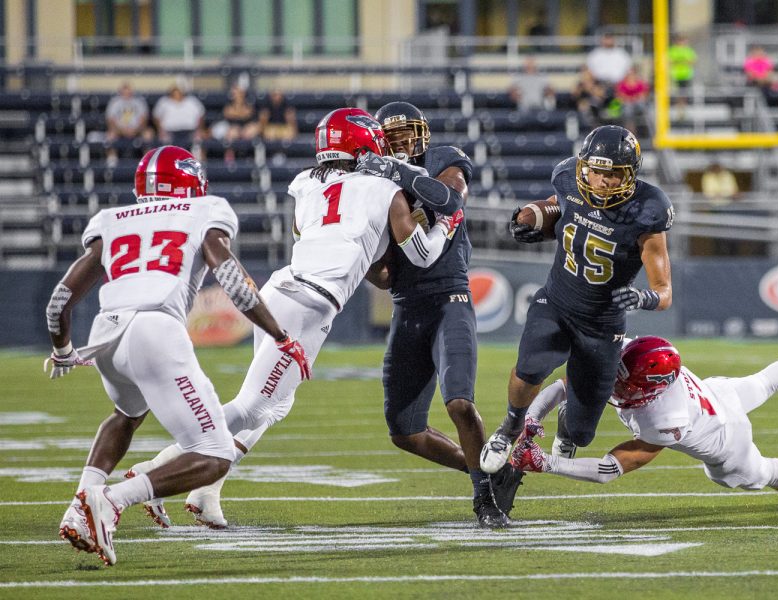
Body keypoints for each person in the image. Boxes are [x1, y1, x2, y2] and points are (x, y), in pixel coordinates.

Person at [128, 108, 464, 529]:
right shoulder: (383, 188)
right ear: (363, 144)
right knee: (252, 406)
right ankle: (150, 473)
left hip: (279, 291)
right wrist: (444, 227)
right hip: (309, 305)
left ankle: (206, 490)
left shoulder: (305, 184)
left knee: (274, 406)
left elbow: (316, 238)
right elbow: (422, 254)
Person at [49, 145, 311, 565]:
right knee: (216, 454)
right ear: (190, 185)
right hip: (154, 330)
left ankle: (77, 507)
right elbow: (234, 281)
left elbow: (59, 301)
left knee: (126, 416)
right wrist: (280, 335)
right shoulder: (205, 211)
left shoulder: (110, 219)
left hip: (105, 334)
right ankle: (111, 501)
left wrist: (63, 349)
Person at [355, 101, 524, 529]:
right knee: (404, 431)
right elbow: (386, 275)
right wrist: (359, 257)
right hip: (407, 306)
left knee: (460, 404)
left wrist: (397, 171)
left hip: (450, 298)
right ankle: (490, 471)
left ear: (422, 133)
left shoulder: (440, 160)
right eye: (392, 136)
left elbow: (450, 197)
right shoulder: (373, 185)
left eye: (407, 133)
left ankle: (485, 498)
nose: (402, 142)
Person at [479, 125, 675, 473]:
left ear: (630, 175)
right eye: (596, 171)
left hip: (602, 324)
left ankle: (569, 414)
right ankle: (509, 428)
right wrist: (534, 222)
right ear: (583, 166)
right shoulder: (568, 181)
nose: (601, 181)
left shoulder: (648, 211)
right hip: (556, 303)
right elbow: (559, 210)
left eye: (613, 174)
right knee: (530, 368)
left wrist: (643, 297)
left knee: (581, 433)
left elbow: (664, 293)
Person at [509, 336, 778, 513]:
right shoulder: (631, 353)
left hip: (723, 438)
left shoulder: (665, 420)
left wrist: (548, 463)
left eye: (625, 382)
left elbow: (610, 468)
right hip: (715, 394)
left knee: (757, 473)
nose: (615, 384)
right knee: (765, 380)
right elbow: (564, 385)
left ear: (650, 388)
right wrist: (531, 417)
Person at [104, 82, 152, 164]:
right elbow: (111, 120)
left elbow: (144, 119)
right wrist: (122, 130)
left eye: (128, 91)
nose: (126, 93)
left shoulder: (139, 102)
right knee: (110, 135)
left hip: (137, 129)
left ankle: (147, 161)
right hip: (119, 130)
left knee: (148, 134)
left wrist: (135, 130)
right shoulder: (115, 102)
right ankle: (112, 161)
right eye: (124, 91)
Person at [152, 85, 205, 150]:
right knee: (165, 141)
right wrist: (160, 130)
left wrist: (198, 129)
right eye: (174, 93)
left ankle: (197, 159)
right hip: (169, 131)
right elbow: (156, 117)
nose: (177, 95)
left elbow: (201, 116)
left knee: (198, 140)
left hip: (190, 130)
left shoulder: (192, 101)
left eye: (179, 92)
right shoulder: (164, 102)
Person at [613, 67, 651, 132]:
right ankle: (629, 131)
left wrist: (633, 98)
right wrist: (630, 98)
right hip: (627, 104)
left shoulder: (640, 83)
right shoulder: (622, 84)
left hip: (638, 104)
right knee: (628, 110)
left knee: (645, 108)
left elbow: (643, 95)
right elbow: (620, 96)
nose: (631, 76)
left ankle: (649, 131)